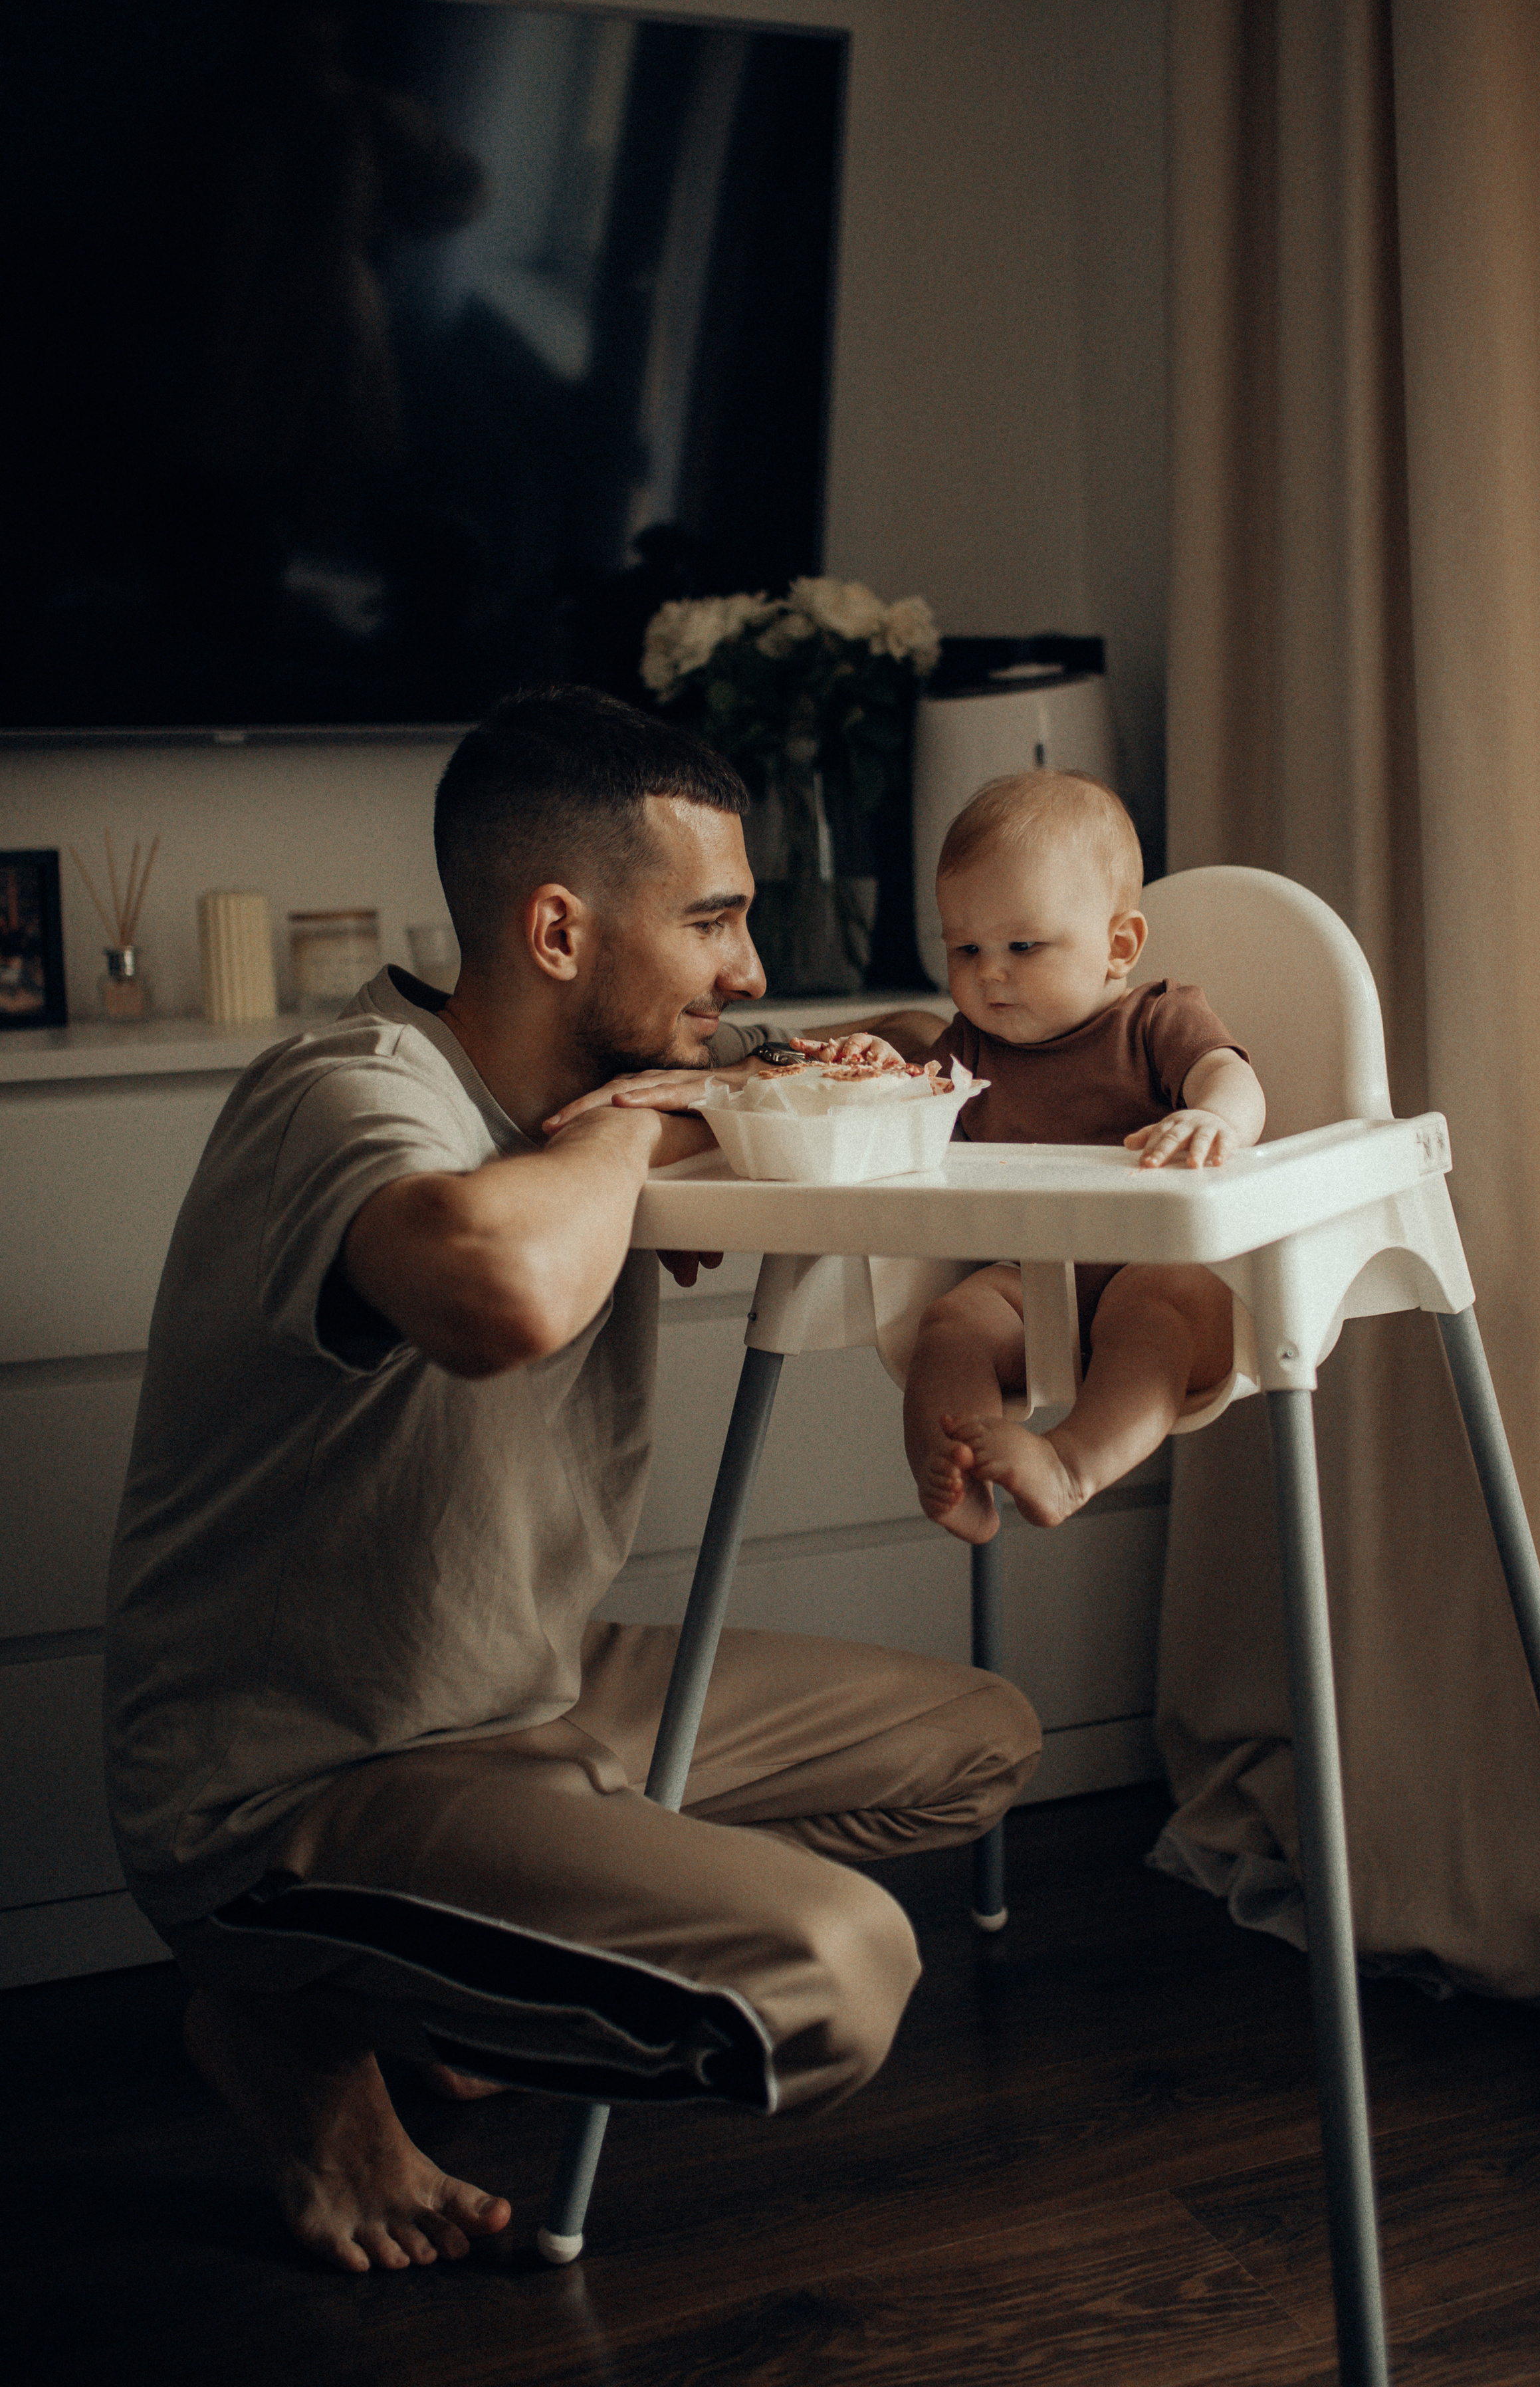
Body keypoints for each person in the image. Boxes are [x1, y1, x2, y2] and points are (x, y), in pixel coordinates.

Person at [104, 685, 1040, 2275]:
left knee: (981, 1741)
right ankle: (291, 2030)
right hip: (290, 1787)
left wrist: (823, 1057)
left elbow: (892, 1048)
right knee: (837, 1972)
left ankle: (484, 1955)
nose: (748, 968)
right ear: (555, 928)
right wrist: (630, 1129)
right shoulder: (347, 1087)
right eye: (715, 921)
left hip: (531, 1696)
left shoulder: (641, 1067)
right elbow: (501, 1293)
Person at [897, 770, 1267, 1543]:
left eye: (1022, 946)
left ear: (1118, 944)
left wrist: (1213, 1118)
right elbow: (905, 1117)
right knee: (952, 1320)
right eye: (965, 948)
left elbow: (1231, 1077)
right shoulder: (967, 1049)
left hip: (1170, 1278)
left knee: (1150, 1308)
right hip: (1035, 1284)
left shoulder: (1154, 1021)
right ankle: (956, 1460)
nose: (989, 972)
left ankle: (1069, 1467)